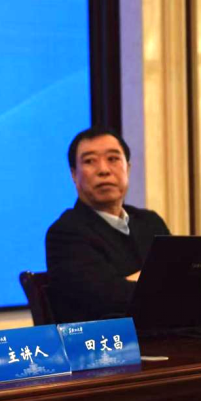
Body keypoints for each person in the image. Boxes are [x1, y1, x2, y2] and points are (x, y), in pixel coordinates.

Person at [45, 127, 170, 323]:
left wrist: (132, 282)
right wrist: (156, 281)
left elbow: (183, 285)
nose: (103, 170)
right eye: (89, 161)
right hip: (109, 341)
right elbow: (107, 300)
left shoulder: (150, 222)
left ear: (128, 168)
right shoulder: (65, 233)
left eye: (113, 159)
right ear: (74, 174)